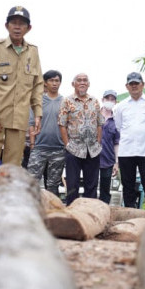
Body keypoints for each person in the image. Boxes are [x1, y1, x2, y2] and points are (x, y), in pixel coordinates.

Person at [0, 6, 43, 173]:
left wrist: (38, 113)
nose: (17, 27)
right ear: (6, 26)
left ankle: (7, 200)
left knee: (12, 170)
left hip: (19, 119)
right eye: (13, 23)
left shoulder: (33, 52)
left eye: (21, 24)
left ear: (28, 28)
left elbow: (37, 85)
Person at [59, 73, 103, 205]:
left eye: (85, 80)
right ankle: (72, 211)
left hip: (93, 149)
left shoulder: (95, 101)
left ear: (88, 84)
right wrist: (67, 145)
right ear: (73, 84)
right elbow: (62, 124)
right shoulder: (67, 101)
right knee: (72, 184)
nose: (82, 82)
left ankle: (90, 211)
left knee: (92, 184)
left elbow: (100, 123)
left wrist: (98, 142)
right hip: (74, 149)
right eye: (79, 80)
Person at [113, 72, 145, 209]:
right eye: (131, 84)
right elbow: (119, 126)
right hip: (127, 151)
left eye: (137, 83)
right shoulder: (120, 106)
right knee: (128, 185)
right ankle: (129, 212)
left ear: (143, 85)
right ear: (127, 86)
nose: (134, 86)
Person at [26, 70, 64, 196]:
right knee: (32, 182)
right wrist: (32, 145)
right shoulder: (37, 102)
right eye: (51, 80)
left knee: (53, 185)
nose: (54, 83)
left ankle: (52, 213)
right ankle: (30, 211)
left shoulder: (65, 102)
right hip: (39, 148)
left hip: (59, 149)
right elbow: (31, 123)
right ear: (45, 83)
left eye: (57, 80)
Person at [99, 89, 120, 204]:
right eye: (107, 99)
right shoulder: (94, 115)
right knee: (90, 187)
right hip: (92, 158)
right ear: (103, 100)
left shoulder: (116, 121)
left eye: (112, 99)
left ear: (115, 102)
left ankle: (104, 211)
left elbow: (117, 143)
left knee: (105, 189)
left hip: (108, 159)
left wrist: (116, 162)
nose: (109, 101)